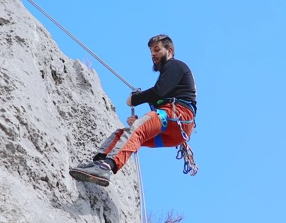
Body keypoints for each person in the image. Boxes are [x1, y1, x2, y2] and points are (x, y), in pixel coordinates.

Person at [69, 34, 197, 187]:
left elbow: (159, 92)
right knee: (124, 133)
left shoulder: (175, 66)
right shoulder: (173, 75)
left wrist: (135, 99)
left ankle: (106, 167)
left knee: (136, 130)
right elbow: (160, 100)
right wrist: (139, 121)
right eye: (151, 52)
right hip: (177, 131)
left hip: (178, 116)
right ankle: (98, 162)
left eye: (157, 50)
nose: (153, 55)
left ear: (169, 51)